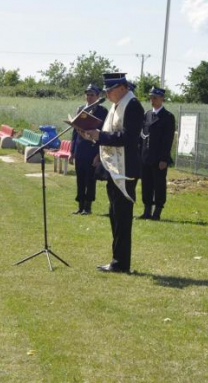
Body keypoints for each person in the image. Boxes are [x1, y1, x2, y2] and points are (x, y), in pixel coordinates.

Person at [80, 72, 144, 273]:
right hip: (113, 167)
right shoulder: (116, 105)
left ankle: (121, 262)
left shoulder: (132, 106)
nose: (107, 94)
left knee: (122, 217)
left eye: (110, 90)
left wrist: (101, 136)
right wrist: (94, 136)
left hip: (126, 169)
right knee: (114, 215)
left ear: (123, 88)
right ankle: (117, 259)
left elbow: (128, 137)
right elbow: (110, 134)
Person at [69, 84, 109, 215]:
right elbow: (75, 133)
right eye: (87, 94)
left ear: (98, 96)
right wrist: (72, 152)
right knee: (80, 179)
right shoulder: (81, 109)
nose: (89, 97)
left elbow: (103, 133)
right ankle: (80, 205)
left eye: (92, 94)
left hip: (92, 150)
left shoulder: (103, 111)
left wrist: (98, 154)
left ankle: (88, 207)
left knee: (90, 179)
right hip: (80, 149)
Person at [139, 86, 176, 220]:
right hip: (146, 156)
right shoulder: (147, 114)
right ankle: (147, 210)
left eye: (155, 97)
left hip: (158, 158)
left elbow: (168, 140)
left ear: (162, 99)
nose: (152, 100)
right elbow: (142, 135)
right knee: (146, 184)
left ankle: (157, 211)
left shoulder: (167, 117)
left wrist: (164, 159)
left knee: (159, 185)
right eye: (151, 97)